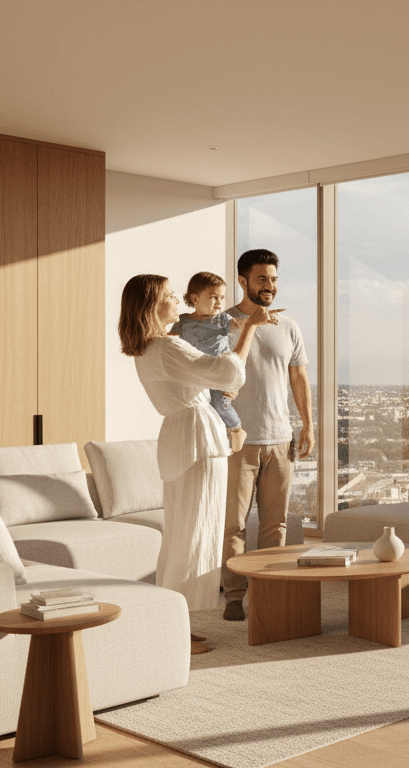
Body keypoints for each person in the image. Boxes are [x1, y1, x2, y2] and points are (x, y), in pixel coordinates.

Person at [118, 273, 277, 654]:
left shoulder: (147, 349)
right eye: (172, 297)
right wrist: (250, 330)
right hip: (196, 439)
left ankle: (174, 625)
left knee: (182, 535)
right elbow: (227, 373)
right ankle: (177, 632)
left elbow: (211, 379)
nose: (179, 303)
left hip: (181, 437)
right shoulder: (168, 347)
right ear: (152, 306)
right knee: (195, 536)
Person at [220, 248, 313, 621]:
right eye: (261, 279)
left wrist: (308, 424)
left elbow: (298, 377)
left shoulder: (289, 327)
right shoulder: (221, 325)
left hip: (280, 439)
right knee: (234, 524)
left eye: (273, 279)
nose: (269, 286)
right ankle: (233, 596)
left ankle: (269, 589)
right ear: (243, 281)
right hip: (237, 441)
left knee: (276, 525)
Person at [170, 271, 247, 453]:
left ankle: (236, 429)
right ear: (195, 299)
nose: (219, 303)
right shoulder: (183, 321)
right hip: (196, 375)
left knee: (220, 404)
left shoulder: (222, 319)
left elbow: (239, 324)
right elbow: (169, 341)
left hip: (219, 374)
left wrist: (255, 321)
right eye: (214, 297)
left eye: (222, 297)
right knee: (203, 410)